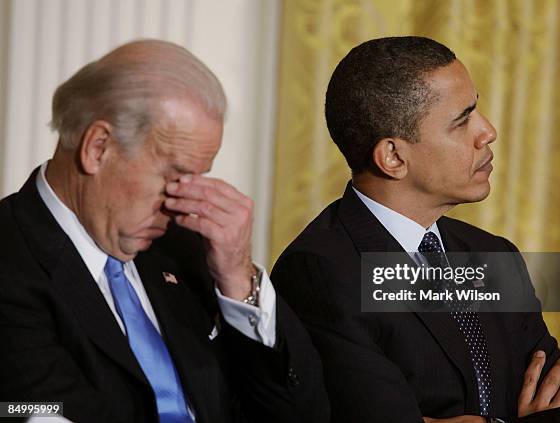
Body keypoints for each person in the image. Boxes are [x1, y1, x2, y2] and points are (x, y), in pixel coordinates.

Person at [271, 36, 560, 422]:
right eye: (462, 120)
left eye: (476, 110)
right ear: (394, 157)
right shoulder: (319, 272)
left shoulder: (493, 254)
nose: (488, 132)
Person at [0, 40, 328, 423]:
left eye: (196, 179)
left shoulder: (187, 250)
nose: (182, 200)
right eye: (174, 176)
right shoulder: (11, 258)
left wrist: (238, 279)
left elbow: (303, 413)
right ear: (98, 147)